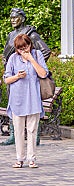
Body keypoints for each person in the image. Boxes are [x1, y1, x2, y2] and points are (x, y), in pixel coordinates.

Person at [1, 8, 51, 146]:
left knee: (32, 106)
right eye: (11, 17)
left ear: (22, 18)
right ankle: (13, 135)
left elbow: (45, 51)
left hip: (28, 79)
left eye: (15, 17)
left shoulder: (31, 34)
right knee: (14, 105)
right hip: (13, 76)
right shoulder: (11, 35)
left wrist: (33, 65)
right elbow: (7, 55)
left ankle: (35, 136)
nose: (12, 20)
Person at [3, 34, 49, 168]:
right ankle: (19, 158)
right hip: (17, 99)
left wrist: (31, 59)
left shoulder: (37, 54)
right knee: (18, 131)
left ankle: (32, 159)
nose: (24, 50)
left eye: (26, 46)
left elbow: (43, 74)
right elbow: (7, 79)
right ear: (16, 49)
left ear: (30, 44)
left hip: (33, 98)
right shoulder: (13, 58)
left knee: (32, 130)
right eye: (20, 48)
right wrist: (17, 76)